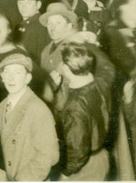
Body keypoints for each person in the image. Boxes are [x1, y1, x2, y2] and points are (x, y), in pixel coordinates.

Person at [0, 52, 59, 181]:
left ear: (28, 78)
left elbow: (49, 155)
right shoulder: (2, 107)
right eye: (7, 72)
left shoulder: (38, 109)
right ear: (2, 77)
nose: (11, 78)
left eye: (18, 72)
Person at [54, 43, 111, 180]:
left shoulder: (75, 105)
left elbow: (77, 149)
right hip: (101, 157)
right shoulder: (99, 84)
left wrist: (65, 174)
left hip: (84, 168)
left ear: (67, 68)